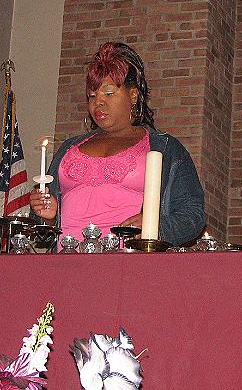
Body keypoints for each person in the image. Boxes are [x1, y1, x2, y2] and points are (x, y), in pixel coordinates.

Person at [30, 42, 206, 247]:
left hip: (129, 264)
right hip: (67, 262)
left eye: (109, 93)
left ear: (133, 95)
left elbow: (193, 214)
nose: (99, 102)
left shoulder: (165, 147)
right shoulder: (68, 149)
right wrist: (48, 216)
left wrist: (156, 227)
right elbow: (42, 228)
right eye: (93, 96)